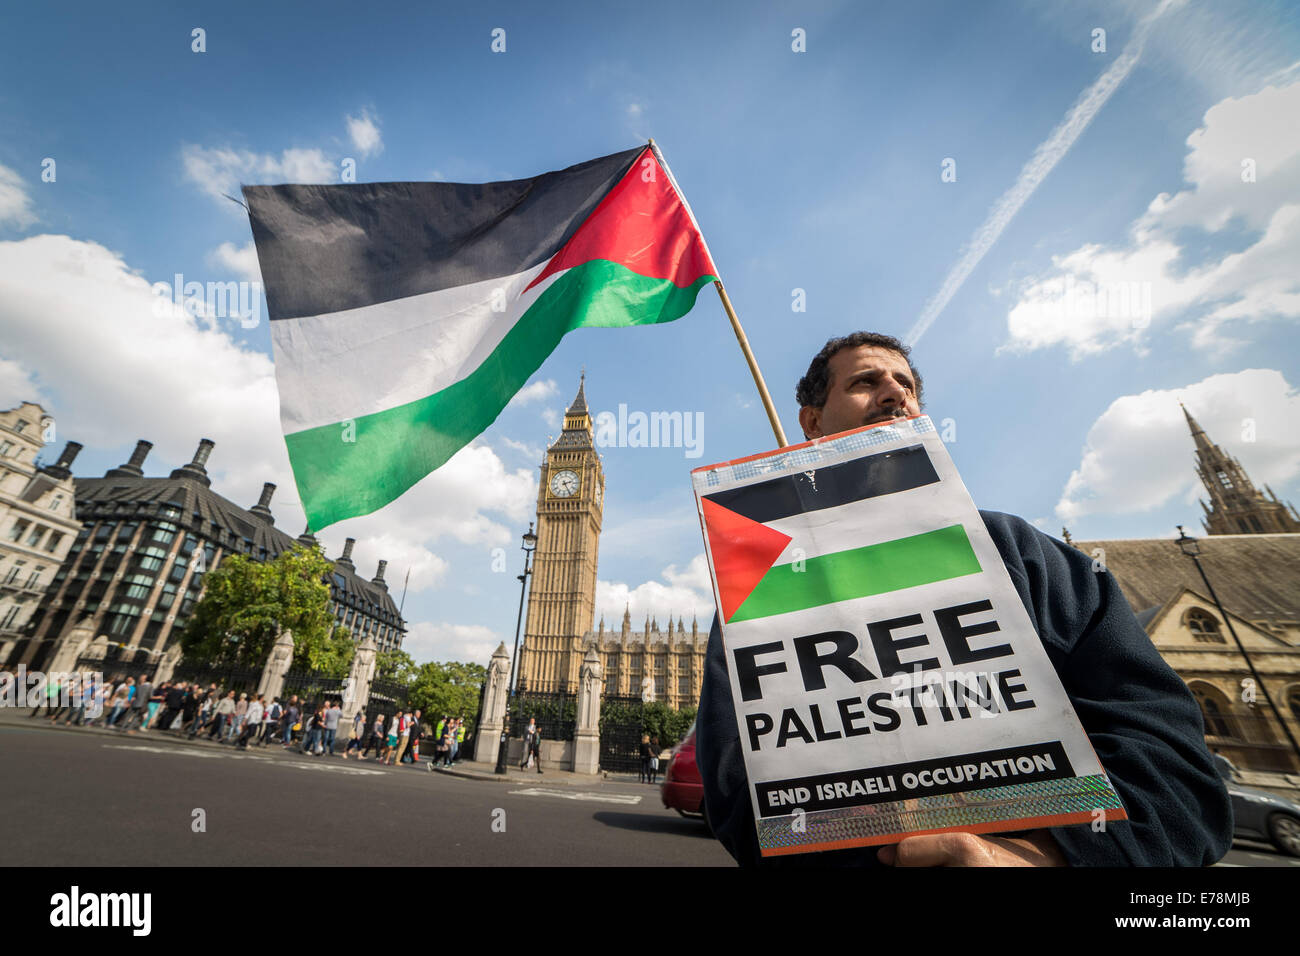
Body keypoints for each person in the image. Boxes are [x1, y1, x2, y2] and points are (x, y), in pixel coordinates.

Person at [695, 331, 1234, 867]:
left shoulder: (1020, 552)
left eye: (904, 384)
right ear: (812, 422)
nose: (893, 393)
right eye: (865, 381)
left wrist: (1043, 855)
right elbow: (743, 796)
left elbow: (1174, 769)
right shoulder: (764, 577)